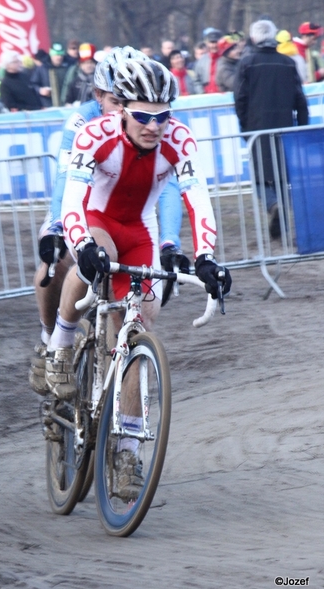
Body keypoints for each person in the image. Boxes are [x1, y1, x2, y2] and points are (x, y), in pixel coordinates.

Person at [42, 58, 231, 494]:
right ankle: (61, 345)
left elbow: (196, 198)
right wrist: (82, 245)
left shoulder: (179, 139)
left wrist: (205, 256)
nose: (154, 126)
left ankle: (127, 451)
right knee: (94, 262)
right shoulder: (95, 135)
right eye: (144, 116)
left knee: (137, 329)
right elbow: (72, 199)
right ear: (121, 110)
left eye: (162, 116)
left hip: (139, 231)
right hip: (96, 220)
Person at [29, 48, 187, 396]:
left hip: (129, 219)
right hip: (80, 207)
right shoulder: (83, 121)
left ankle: (117, 393)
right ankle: (49, 341)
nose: (125, 111)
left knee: (139, 298)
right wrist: (57, 226)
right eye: (117, 101)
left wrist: (170, 242)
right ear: (98, 96)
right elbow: (63, 179)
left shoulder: (152, 123)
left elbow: (170, 187)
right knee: (53, 262)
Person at [233, 19, 309, 239]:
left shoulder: (247, 63)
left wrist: (245, 129)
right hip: (286, 129)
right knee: (282, 177)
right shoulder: (288, 62)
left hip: (257, 128)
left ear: (254, 37)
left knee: (259, 178)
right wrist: (300, 130)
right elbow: (300, 100)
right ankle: (281, 222)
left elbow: (240, 99)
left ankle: (273, 205)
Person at [30, 42, 69, 107]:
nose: (59, 57)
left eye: (61, 55)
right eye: (56, 55)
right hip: (48, 105)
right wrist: (40, 90)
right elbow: (32, 84)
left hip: (66, 105)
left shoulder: (68, 67)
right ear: (51, 55)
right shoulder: (42, 68)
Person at [193, 29, 222, 93]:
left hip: (223, 96)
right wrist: (201, 93)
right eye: (212, 42)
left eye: (216, 42)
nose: (214, 45)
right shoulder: (202, 60)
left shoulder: (225, 59)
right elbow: (197, 80)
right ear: (208, 43)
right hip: (206, 97)